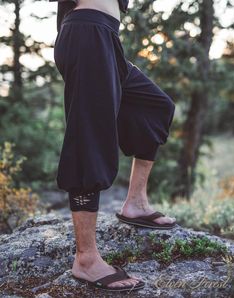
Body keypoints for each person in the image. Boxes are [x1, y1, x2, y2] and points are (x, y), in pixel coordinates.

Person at [50, 0, 177, 292]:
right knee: (89, 137)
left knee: (155, 106)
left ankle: (136, 203)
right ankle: (86, 258)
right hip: (87, 33)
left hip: (105, 36)